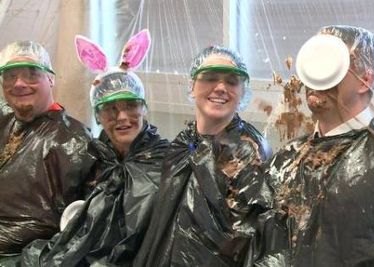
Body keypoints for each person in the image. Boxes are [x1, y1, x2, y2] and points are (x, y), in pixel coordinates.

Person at [263, 25, 374, 266]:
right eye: (314, 62)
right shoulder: (286, 159)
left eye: (329, 63)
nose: (317, 74)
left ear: (365, 80)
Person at [20, 29, 170, 266]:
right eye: (110, 108)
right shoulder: (93, 157)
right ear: (98, 116)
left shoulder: (166, 162)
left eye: (131, 106)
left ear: (144, 109)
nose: (122, 117)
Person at [134, 46, 275, 266]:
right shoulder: (183, 143)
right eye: (210, 78)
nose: (220, 88)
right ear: (192, 87)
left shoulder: (247, 152)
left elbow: (247, 244)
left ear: (242, 92)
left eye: (231, 81)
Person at [0, 41, 95, 260]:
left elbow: (83, 229)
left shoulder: (76, 141)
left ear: (50, 79)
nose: (19, 84)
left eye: (32, 74)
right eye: (10, 76)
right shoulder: (5, 123)